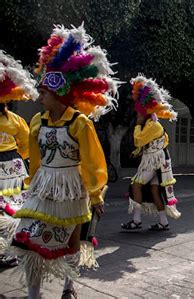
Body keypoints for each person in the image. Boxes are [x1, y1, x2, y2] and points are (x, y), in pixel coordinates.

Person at [11, 25, 118, 299]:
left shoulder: (79, 123)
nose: (40, 97)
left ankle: (69, 287)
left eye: (44, 93)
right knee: (27, 238)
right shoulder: (37, 122)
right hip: (43, 187)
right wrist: (30, 184)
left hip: (72, 187)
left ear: (58, 95)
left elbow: (94, 161)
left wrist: (96, 195)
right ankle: (34, 293)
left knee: (72, 240)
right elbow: (35, 159)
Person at [121, 75, 180, 232]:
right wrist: (137, 152)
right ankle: (163, 222)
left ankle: (137, 220)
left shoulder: (152, 125)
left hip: (154, 161)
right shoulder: (151, 124)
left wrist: (138, 125)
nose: (137, 115)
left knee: (136, 185)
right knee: (154, 190)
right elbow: (145, 144)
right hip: (155, 161)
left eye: (139, 113)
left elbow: (139, 140)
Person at [0, 50, 38, 267]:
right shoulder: (14, 119)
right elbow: (26, 145)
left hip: (9, 164)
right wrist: (18, 159)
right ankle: (11, 250)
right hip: (13, 165)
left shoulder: (13, 119)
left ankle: (7, 250)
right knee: (11, 208)